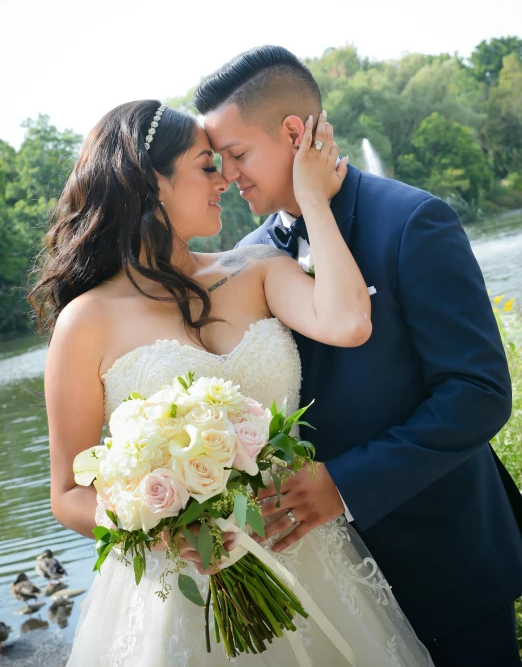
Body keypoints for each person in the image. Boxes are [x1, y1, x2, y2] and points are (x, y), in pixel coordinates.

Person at [33, 100, 433, 665]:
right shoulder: (87, 321)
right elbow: (69, 493)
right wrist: (158, 526)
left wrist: (312, 198)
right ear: (151, 182)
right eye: (205, 166)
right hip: (183, 585)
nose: (225, 178)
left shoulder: (259, 268)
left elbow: (349, 322)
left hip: (307, 554)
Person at [195, 45, 522, 667]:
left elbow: (478, 394)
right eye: (219, 160)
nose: (228, 175)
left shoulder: (412, 221)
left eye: (238, 155)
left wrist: (344, 485)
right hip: (325, 584)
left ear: (295, 133)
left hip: (445, 558)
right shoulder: (251, 256)